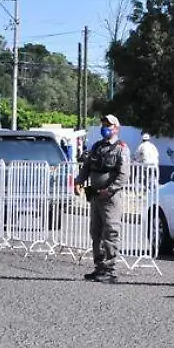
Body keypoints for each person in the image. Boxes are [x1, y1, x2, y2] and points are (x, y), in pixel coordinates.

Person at [75, 114, 131, 283]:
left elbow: (123, 175)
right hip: (94, 195)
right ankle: (99, 267)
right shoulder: (97, 147)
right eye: (103, 124)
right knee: (96, 231)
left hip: (110, 197)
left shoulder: (121, 148)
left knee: (111, 231)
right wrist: (79, 181)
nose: (105, 127)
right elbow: (86, 167)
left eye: (109, 125)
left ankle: (110, 268)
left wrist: (110, 189)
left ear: (116, 128)